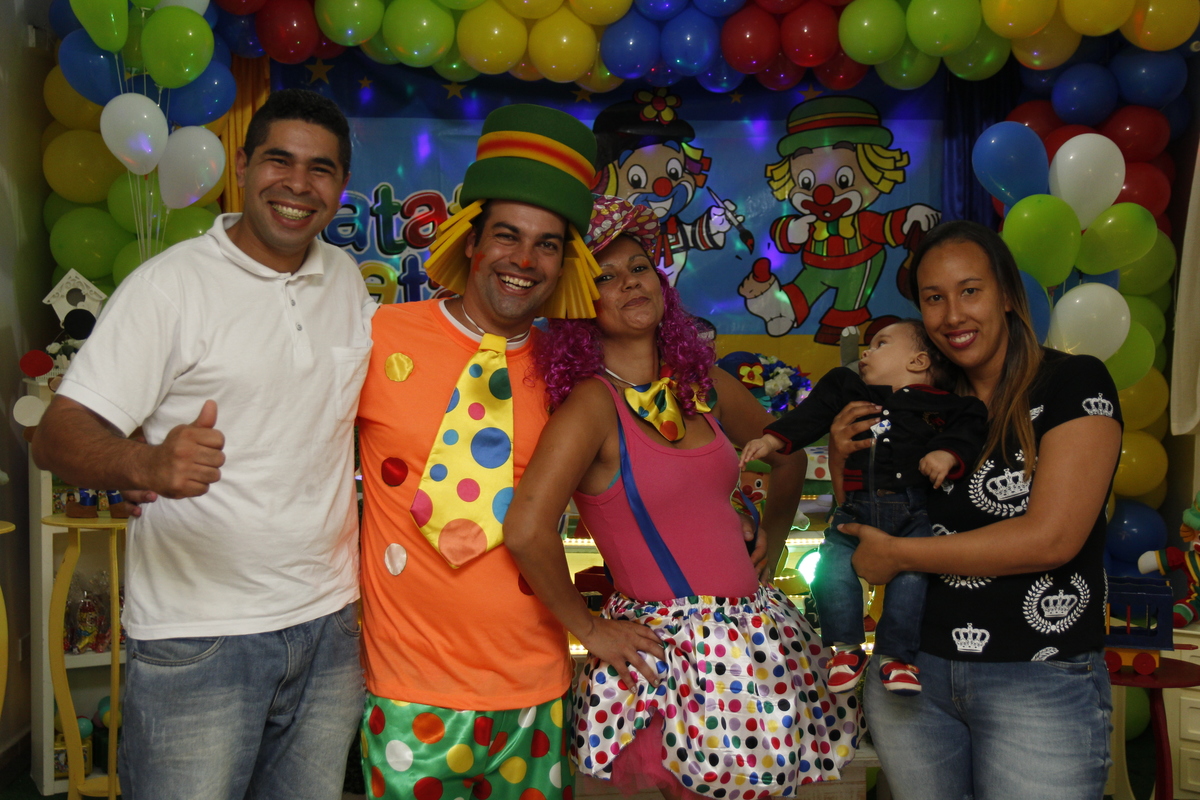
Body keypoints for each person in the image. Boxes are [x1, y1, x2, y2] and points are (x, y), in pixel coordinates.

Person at [31, 88, 373, 799]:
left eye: (320, 169)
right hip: (199, 634)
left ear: (341, 186)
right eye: (279, 161)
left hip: (331, 626)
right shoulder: (170, 287)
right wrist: (144, 462)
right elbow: (57, 434)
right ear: (241, 167)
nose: (297, 184)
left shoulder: (344, 280)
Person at [503, 195, 862, 800]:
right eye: (605, 277)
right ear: (580, 303)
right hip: (668, 660)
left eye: (639, 268)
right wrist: (589, 628)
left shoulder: (704, 386)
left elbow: (790, 454)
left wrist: (770, 543)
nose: (629, 283)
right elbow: (525, 529)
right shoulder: (592, 405)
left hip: (756, 644)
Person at [355, 104, 612, 800]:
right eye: (507, 235)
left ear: (565, 264)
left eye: (547, 245)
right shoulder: (377, 336)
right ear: (471, 241)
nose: (524, 261)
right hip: (408, 690)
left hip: (535, 691)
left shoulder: (571, 375)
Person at [833, 220, 1121, 800]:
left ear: (1007, 294)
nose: (952, 315)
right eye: (933, 298)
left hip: (1037, 675)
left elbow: (1051, 539)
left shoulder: (1072, 383)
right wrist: (845, 458)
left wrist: (901, 555)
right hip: (911, 675)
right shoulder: (919, 402)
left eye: (970, 291)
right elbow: (866, 523)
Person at [739, 320, 987, 696]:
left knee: (911, 581)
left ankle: (897, 657)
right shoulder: (850, 389)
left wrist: (947, 453)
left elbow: (970, 426)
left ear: (919, 361)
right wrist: (773, 440)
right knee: (829, 571)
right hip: (855, 508)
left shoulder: (946, 405)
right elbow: (813, 413)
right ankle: (846, 649)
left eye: (882, 344)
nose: (867, 352)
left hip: (912, 510)